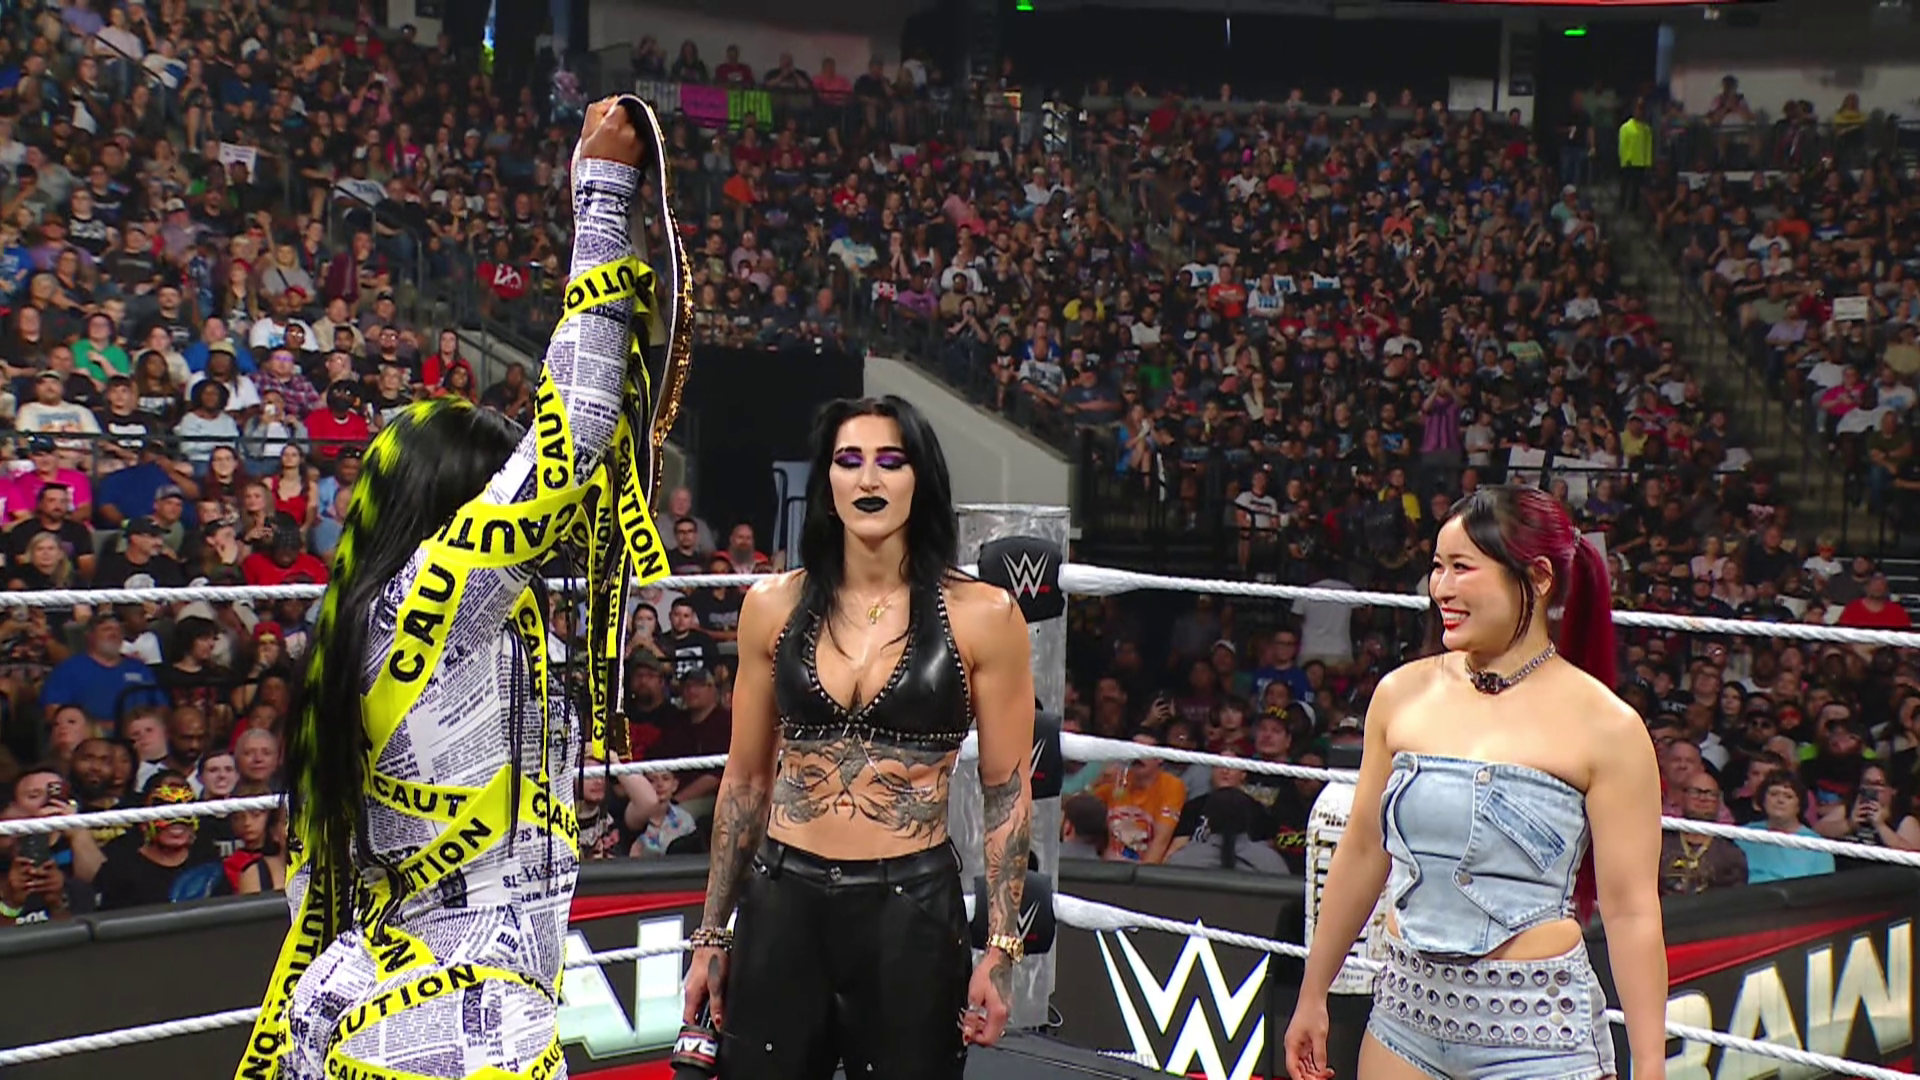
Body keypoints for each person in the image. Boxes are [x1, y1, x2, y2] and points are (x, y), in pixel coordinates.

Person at [235, 98, 669, 1080]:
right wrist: (603, 196)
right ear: (457, 508)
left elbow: (314, 883)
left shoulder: (360, 621)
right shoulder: (440, 595)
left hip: (368, 1007)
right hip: (469, 1031)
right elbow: (572, 441)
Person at [682, 395, 1037, 1078]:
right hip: (783, 898)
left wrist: (1001, 949)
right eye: (849, 460)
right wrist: (712, 935)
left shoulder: (985, 615)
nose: (868, 479)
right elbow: (746, 780)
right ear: (828, 480)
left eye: (889, 461)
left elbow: (1006, 793)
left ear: (920, 478)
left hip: (909, 910)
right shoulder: (771, 606)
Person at [1286, 485, 1668, 1080]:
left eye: (1462, 567)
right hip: (1405, 1016)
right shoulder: (1401, 694)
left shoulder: (1608, 727)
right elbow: (1362, 850)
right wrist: (1314, 992)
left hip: (1539, 1035)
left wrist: (1650, 1065)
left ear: (1538, 578)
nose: (1440, 588)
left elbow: (1631, 911)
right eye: (1437, 567)